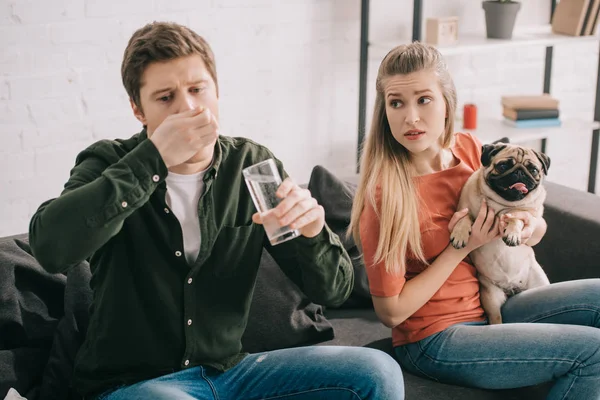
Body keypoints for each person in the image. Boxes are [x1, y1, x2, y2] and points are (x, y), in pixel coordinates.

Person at [28, 21, 404, 400]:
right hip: (136, 385)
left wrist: (312, 233)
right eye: (165, 97)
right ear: (137, 110)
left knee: (376, 372)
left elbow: (334, 290)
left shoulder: (252, 165)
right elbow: (51, 248)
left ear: (217, 91)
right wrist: (153, 159)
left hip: (231, 373)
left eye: (197, 90)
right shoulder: (109, 162)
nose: (187, 108)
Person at [348, 41, 600, 399]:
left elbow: (535, 229)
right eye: (396, 103)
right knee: (595, 352)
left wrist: (529, 226)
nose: (411, 118)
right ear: (384, 111)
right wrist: (459, 247)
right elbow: (391, 312)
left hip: (497, 304)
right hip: (436, 337)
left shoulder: (470, 149)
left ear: (447, 103)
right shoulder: (385, 195)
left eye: (424, 99)